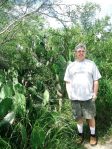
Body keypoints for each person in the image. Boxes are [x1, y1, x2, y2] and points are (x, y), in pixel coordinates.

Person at [64, 43, 101, 145]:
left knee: (90, 117)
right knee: (78, 118)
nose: (81, 53)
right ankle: (80, 135)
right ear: (75, 53)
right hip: (75, 98)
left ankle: (93, 136)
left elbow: (96, 80)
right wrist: (69, 94)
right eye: (79, 51)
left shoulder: (91, 64)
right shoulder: (71, 66)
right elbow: (67, 81)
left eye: (83, 51)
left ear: (85, 53)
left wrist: (95, 94)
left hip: (88, 97)